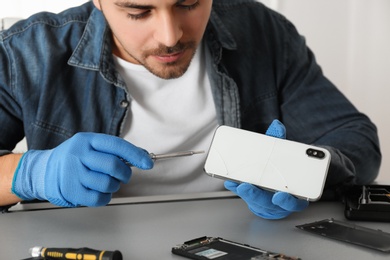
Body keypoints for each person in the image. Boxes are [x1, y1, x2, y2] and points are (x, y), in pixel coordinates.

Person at [0, 0, 381, 218]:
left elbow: (355, 141)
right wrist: (33, 173)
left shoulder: (264, 31)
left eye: (189, 2)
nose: (170, 36)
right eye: (138, 10)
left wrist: (303, 171)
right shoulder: (26, 52)